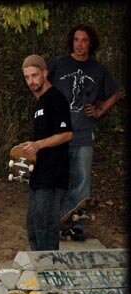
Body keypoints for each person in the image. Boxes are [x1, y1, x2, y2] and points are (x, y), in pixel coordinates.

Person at [48, 24, 120, 240]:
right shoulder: (58, 65)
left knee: (81, 183)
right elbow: (40, 85)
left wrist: (99, 110)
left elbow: (115, 93)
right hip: (58, 134)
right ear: (72, 41)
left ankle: (76, 227)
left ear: (91, 43)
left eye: (84, 40)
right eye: (77, 39)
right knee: (57, 180)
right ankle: (55, 224)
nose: (80, 44)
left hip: (83, 133)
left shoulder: (97, 70)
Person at [19, 54, 73, 251]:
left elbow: (67, 134)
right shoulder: (40, 102)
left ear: (45, 73)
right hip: (39, 175)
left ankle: (49, 272)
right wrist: (30, 150)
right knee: (33, 226)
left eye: (34, 75)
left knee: (46, 227)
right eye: (27, 77)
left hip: (53, 175)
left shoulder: (56, 99)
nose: (31, 81)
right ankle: (39, 269)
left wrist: (39, 144)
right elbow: (41, 141)